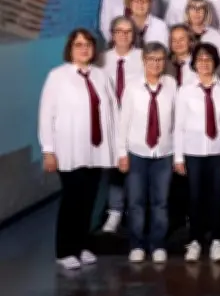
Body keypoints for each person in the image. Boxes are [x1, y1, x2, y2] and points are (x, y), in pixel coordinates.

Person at [39, 29, 118, 270]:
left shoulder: (101, 76)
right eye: (79, 45)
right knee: (72, 199)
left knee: (89, 199)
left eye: (88, 45)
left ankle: (81, 246)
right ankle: (64, 251)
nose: (84, 49)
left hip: (96, 149)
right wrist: (48, 150)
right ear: (70, 49)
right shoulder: (57, 76)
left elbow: (113, 112)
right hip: (69, 150)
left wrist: (116, 148)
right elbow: (46, 114)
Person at [117, 42, 177, 263]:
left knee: (161, 201)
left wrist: (177, 154)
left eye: (160, 59)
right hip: (137, 152)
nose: (156, 64)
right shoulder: (132, 87)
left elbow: (177, 121)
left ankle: (158, 243)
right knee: (136, 201)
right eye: (151, 59)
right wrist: (122, 153)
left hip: (164, 152)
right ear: (144, 61)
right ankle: (137, 244)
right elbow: (123, 122)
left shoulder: (171, 85)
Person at [174, 43, 220, 262]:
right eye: (200, 59)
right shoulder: (185, 90)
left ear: (215, 62)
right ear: (194, 64)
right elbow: (179, 125)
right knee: (194, 197)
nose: (204, 63)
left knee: (217, 196)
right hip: (193, 152)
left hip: (218, 151)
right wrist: (178, 157)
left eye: (209, 59)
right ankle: (195, 240)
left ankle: (217, 239)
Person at [99, 16, 143, 234]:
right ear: (112, 34)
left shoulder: (143, 57)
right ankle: (115, 211)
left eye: (128, 31)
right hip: (111, 121)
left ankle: (135, 211)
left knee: (136, 168)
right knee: (115, 168)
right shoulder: (101, 60)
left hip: (137, 121)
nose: (124, 35)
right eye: (119, 31)